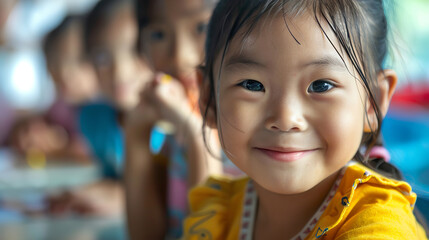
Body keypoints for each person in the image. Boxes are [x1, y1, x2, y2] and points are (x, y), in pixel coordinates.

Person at [182, 0, 428, 239]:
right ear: (209, 99)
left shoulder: (380, 226)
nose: (286, 119)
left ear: (372, 102)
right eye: (252, 85)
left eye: (321, 85)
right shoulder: (219, 212)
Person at [125, 0, 223, 239]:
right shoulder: (171, 131)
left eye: (202, 28)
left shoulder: (252, 137)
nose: (180, 57)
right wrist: (136, 131)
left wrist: (197, 134)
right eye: (158, 34)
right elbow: (146, 235)